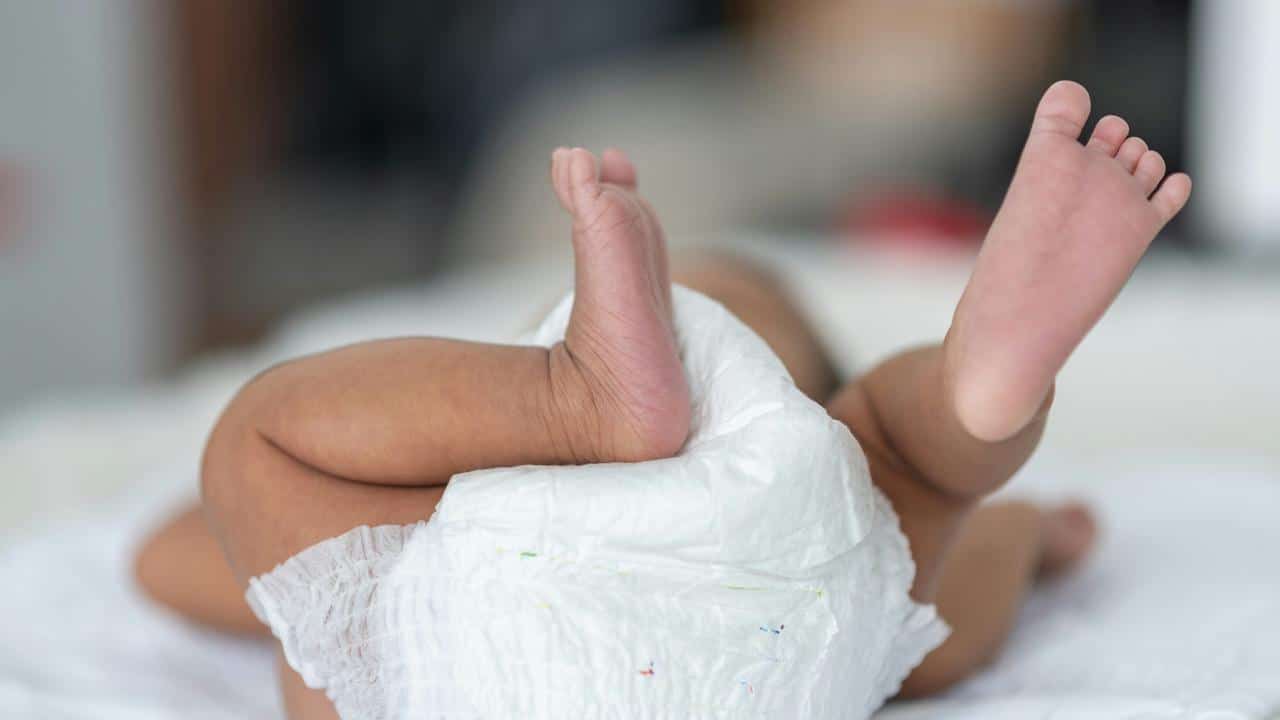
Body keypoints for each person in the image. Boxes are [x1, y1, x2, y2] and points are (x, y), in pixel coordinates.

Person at [135, 81, 1190, 718]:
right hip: (777, 640)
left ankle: (570, 399)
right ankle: (969, 392)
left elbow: (163, 560)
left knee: (254, 454)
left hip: (477, 647)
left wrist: (290, 523)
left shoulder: (445, 531)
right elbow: (976, 557)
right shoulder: (822, 495)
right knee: (911, 484)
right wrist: (1026, 529)